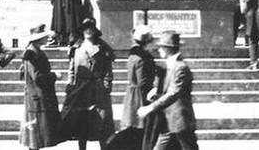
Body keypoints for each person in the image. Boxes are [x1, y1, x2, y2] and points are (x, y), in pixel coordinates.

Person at [137, 31, 196, 150]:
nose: (158, 50)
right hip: (167, 120)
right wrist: (156, 91)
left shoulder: (181, 67)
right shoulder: (169, 65)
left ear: (167, 49)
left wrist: (150, 107)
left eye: (161, 47)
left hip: (180, 120)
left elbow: (174, 93)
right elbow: (168, 88)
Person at [61, 19, 114, 150]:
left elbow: (108, 70)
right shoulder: (76, 48)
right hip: (80, 89)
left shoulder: (102, 48)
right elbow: (72, 69)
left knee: (101, 122)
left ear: (95, 31)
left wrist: (106, 86)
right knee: (81, 121)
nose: (88, 31)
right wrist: (70, 85)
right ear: (82, 31)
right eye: (86, 28)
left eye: (91, 28)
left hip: (98, 88)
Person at [19, 24, 62, 150]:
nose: (46, 38)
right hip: (37, 96)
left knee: (36, 133)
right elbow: (38, 77)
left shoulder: (34, 51)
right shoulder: (31, 54)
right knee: (35, 134)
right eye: (44, 36)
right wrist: (54, 76)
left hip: (37, 95)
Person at [120, 26, 156, 135]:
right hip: (140, 95)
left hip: (132, 94)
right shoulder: (142, 59)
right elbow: (143, 82)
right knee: (141, 126)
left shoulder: (132, 56)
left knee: (132, 125)